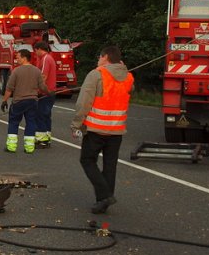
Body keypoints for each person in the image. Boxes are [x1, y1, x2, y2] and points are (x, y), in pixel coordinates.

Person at [71, 45, 134, 214]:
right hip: (117, 130)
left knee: (87, 160)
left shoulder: (96, 74)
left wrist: (76, 124)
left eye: (100, 57)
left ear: (105, 57)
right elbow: (128, 91)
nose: (98, 60)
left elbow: (84, 102)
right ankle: (103, 202)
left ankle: (104, 195)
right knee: (110, 165)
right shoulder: (128, 77)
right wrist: (122, 67)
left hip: (96, 129)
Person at [1, 49, 50, 153]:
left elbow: (9, 88)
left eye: (18, 57)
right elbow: (42, 86)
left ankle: (11, 146)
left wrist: (4, 100)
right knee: (31, 123)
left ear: (24, 58)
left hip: (18, 101)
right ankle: (29, 148)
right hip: (32, 101)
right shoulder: (37, 71)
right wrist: (49, 92)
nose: (16, 59)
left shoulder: (16, 71)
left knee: (14, 123)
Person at [33, 40, 57, 148]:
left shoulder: (45, 59)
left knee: (40, 115)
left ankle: (41, 140)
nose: (35, 53)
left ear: (39, 49)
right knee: (46, 116)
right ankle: (47, 137)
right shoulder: (49, 58)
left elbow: (43, 76)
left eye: (35, 51)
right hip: (51, 92)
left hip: (44, 92)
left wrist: (37, 90)